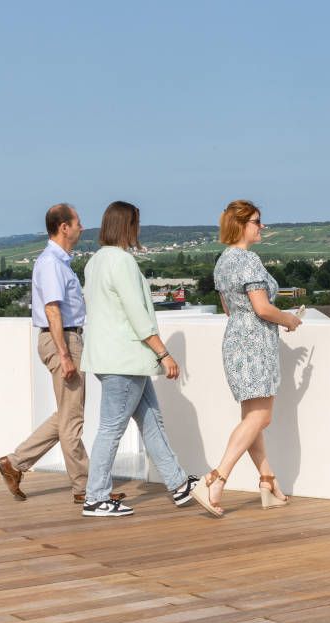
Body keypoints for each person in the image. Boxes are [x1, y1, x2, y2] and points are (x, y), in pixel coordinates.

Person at [79, 200, 218, 517]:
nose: (138, 230)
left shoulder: (95, 262)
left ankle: (179, 484)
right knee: (111, 429)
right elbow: (137, 315)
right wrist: (164, 352)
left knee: (151, 421)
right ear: (127, 226)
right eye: (136, 224)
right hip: (124, 360)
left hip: (107, 358)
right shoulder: (122, 262)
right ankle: (96, 496)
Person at [0, 203, 123, 504]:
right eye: (77, 222)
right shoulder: (52, 263)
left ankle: (14, 463)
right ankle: (86, 487)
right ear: (64, 227)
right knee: (72, 420)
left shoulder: (57, 261)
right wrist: (65, 355)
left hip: (65, 339)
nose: (81, 227)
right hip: (63, 339)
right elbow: (53, 310)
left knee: (67, 414)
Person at [200, 200, 301, 514]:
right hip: (256, 344)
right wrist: (288, 319)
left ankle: (267, 480)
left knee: (251, 417)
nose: (262, 226)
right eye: (257, 221)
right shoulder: (248, 261)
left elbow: (230, 309)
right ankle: (216, 479)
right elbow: (262, 308)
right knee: (262, 417)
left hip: (235, 341)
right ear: (242, 225)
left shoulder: (223, 262)